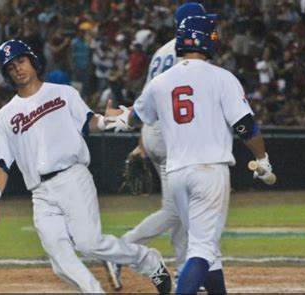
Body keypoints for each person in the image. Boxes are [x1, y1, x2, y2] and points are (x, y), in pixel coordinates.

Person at [0, 39, 172, 294]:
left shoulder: (62, 93)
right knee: (60, 259)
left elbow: (90, 122)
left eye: (21, 61)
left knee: (90, 243)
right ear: (6, 74)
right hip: (40, 193)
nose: (17, 68)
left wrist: (112, 121)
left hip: (72, 177)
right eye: (10, 67)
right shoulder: (5, 116)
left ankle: (149, 261)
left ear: (32, 61)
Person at [114, 14, 275, 294]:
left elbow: (135, 117)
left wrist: (114, 117)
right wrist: (263, 159)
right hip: (209, 171)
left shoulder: (161, 81)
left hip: (176, 174)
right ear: (208, 40)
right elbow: (245, 127)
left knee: (207, 251)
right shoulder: (222, 78)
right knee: (201, 249)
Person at [104, 3, 222, 291]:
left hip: (157, 131)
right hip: (172, 136)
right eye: (203, 21)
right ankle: (121, 251)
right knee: (175, 210)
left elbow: (149, 99)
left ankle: (183, 268)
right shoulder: (191, 53)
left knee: (181, 209)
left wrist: (142, 140)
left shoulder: (162, 51)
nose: (210, 26)